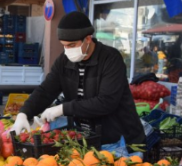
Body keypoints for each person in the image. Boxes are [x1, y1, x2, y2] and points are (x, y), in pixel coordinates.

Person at [9, 11, 145, 146]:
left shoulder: (110, 59)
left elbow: (106, 102)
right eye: (64, 45)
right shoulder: (64, 60)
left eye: (72, 45)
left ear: (87, 39)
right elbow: (46, 90)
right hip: (88, 138)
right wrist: (25, 113)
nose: (67, 50)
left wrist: (62, 109)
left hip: (120, 140)